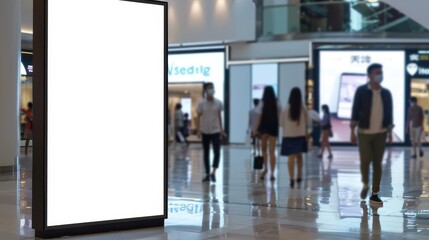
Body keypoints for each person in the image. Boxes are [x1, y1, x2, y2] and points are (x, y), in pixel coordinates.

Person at [350, 63, 394, 205]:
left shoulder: (386, 93)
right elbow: (355, 111)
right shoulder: (361, 91)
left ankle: (374, 193)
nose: (380, 75)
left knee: (377, 164)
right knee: (365, 161)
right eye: (377, 72)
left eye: (381, 72)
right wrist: (352, 131)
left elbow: (389, 114)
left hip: (381, 132)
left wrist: (390, 132)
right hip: (364, 131)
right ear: (369, 75)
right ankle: (365, 184)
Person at [196, 82, 226, 182]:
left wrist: (221, 130)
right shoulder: (201, 103)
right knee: (206, 153)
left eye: (212, 88)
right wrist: (198, 130)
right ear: (205, 90)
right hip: (204, 131)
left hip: (216, 130)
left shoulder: (218, 102)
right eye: (209, 88)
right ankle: (208, 174)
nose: (211, 89)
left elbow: (219, 117)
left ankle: (213, 172)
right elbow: (198, 117)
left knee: (217, 152)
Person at [280, 87, 309, 188]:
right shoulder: (303, 108)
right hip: (300, 135)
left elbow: (281, 123)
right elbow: (307, 122)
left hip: (288, 135)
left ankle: (291, 178)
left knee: (291, 157)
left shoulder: (286, 108)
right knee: (299, 156)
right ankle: (299, 175)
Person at [254, 86, 281, 181]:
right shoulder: (277, 103)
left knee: (264, 151)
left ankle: (266, 169)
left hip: (264, 128)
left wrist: (255, 129)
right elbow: (279, 115)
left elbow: (258, 117)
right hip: (274, 128)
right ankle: (272, 173)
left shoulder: (262, 102)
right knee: (272, 151)